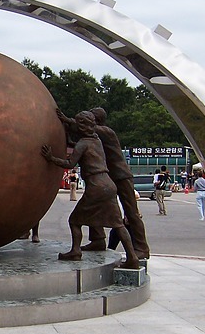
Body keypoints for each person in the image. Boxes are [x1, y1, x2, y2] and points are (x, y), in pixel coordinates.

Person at [41, 111, 139, 269]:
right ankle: (132, 257)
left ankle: (75, 251)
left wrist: (51, 158)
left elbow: (69, 164)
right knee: (118, 224)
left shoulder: (83, 144)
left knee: (74, 221)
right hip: (109, 184)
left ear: (80, 126)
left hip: (96, 186)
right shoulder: (97, 140)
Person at [80, 107, 150, 259]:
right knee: (94, 206)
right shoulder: (93, 136)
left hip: (121, 176)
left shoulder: (105, 132)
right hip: (106, 177)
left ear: (96, 120)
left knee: (131, 213)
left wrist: (66, 120)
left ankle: (142, 248)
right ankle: (98, 240)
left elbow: (80, 127)